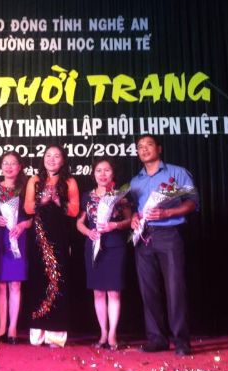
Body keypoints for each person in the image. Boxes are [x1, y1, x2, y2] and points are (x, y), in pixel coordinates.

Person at [129, 135, 198, 356]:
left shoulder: (177, 173)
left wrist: (167, 213)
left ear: (159, 148)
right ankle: (157, 339)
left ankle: (181, 341)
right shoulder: (135, 181)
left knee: (175, 288)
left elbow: (192, 202)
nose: (144, 149)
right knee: (148, 289)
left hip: (168, 234)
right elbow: (133, 208)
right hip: (143, 237)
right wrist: (133, 218)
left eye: (148, 145)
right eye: (140, 147)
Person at [24, 145, 79, 347]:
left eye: (57, 156)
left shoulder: (69, 181)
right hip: (38, 238)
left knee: (58, 281)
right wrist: (42, 200)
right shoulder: (35, 180)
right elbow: (27, 207)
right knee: (38, 280)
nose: (52, 159)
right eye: (48, 155)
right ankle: (37, 333)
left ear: (63, 160)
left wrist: (57, 201)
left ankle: (55, 334)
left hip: (60, 237)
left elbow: (74, 210)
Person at [76, 158, 131, 350]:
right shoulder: (87, 196)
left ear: (112, 173)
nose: (102, 174)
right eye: (99, 170)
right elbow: (79, 223)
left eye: (107, 170)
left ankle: (113, 335)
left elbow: (129, 220)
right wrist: (88, 232)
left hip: (115, 246)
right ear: (94, 174)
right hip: (93, 247)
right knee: (98, 293)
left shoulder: (121, 196)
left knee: (114, 293)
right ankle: (103, 333)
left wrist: (114, 225)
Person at [0, 152, 31, 345]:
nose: (8, 167)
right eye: (5, 163)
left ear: (19, 166)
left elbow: (33, 217)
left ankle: (13, 328)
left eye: (13, 163)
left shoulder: (26, 189)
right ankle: (1, 327)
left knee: (15, 284)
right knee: (0, 284)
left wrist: (23, 225)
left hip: (17, 237)